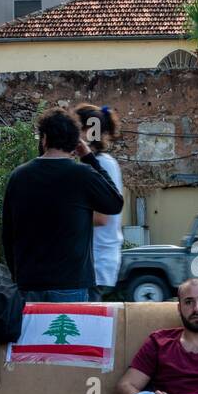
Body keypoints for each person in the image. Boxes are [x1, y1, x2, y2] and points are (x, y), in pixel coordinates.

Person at [2, 108, 124, 301]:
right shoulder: (83, 175)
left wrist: (17, 275)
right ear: (76, 143)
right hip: (71, 284)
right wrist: (89, 158)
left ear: (44, 139)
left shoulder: (19, 176)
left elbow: (8, 234)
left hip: (29, 283)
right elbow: (115, 203)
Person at [75, 103, 124, 301]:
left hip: (97, 262)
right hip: (96, 261)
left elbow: (102, 217)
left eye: (77, 128)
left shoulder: (102, 163)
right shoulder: (101, 162)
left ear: (90, 131)